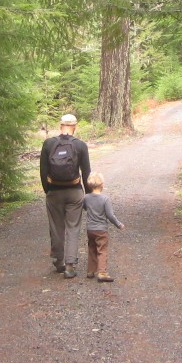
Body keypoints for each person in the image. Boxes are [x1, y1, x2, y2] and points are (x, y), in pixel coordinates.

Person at [39, 113, 91, 279]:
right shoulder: (80, 145)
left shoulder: (48, 144)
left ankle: (58, 261)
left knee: (56, 226)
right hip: (74, 191)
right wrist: (88, 196)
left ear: (60, 125)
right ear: (75, 126)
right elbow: (86, 173)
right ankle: (70, 266)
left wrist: (48, 190)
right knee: (73, 228)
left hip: (54, 192)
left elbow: (43, 171)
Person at [82, 172, 124, 282]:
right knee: (102, 249)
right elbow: (110, 215)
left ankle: (90, 271)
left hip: (90, 229)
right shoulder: (105, 199)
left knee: (92, 248)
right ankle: (102, 272)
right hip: (101, 230)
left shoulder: (86, 197)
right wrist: (118, 224)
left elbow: (85, 208)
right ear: (102, 185)